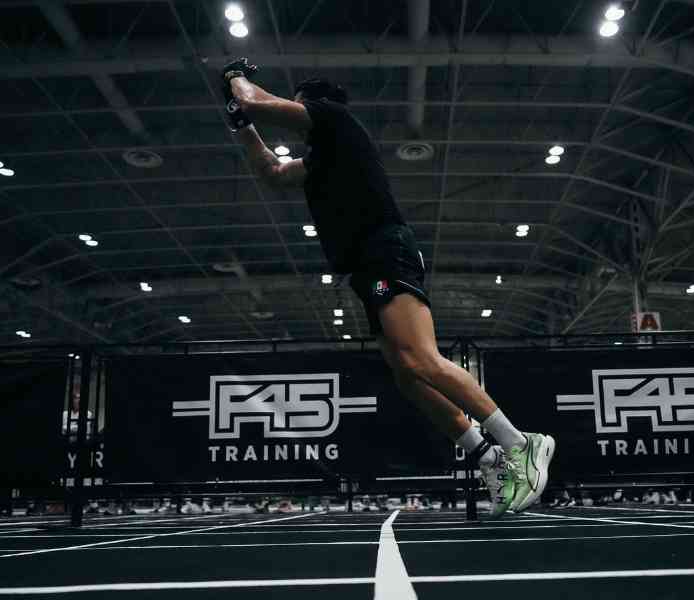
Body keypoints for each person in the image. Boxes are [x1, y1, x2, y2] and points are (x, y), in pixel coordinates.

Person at [221, 58, 555, 519]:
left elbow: (255, 100)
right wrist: (242, 127)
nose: (293, 117)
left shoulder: (334, 121)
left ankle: (521, 444)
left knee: (422, 359)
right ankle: (489, 458)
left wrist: (235, 80)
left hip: (384, 250)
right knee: (407, 375)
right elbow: (273, 174)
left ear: (311, 104)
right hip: (364, 265)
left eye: (297, 109)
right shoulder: (321, 160)